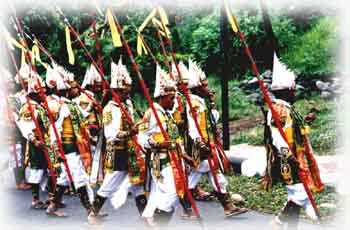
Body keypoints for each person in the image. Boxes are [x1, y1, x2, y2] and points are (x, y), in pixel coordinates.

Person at [262, 54, 324, 230]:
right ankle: (279, 221)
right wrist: (288, 156)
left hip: (295, 157)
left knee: (297, 195)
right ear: (286, 91)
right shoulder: (279, 110)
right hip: (288, 160)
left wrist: (306, 120)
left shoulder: (286, 109)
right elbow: (276, 136)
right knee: (300, 194)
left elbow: (293, 128)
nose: (295, 92)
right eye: (293, 89)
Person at [184, 59, 248, 218]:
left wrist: (211, 103)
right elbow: (193, 126)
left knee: (212, 176)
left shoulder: (201, 102)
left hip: (206, 146)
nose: (208, 88)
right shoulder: (194, 104)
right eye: (204, 85)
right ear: (197, 88)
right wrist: (200, 145)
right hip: (199, 148)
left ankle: (228, 207)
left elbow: (213, 120)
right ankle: (185, 209)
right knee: (197, 178)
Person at [88, 58, 146, 224]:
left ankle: (145, 216)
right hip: (117, 152)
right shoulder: (110, 109)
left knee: (137, 185)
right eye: (124, 91)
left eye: (128, 91)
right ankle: (92, 215)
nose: (128, 94)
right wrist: (130, 132)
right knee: (109, 185)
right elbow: (111, 135)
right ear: (116, 91)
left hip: (130, 151)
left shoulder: (127, 105)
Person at [140, 65, 185, 226]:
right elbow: (142, 138)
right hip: (160, 160)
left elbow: (175, 138)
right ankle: (158, 224)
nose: (174, 102)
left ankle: (150, 219)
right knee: (172, 194)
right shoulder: (151, 114)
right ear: (162, 97)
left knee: (159, 195)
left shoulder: (167, 115)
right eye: (171, 98)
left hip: (174, 159)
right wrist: (157, 143)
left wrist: (185, 156)